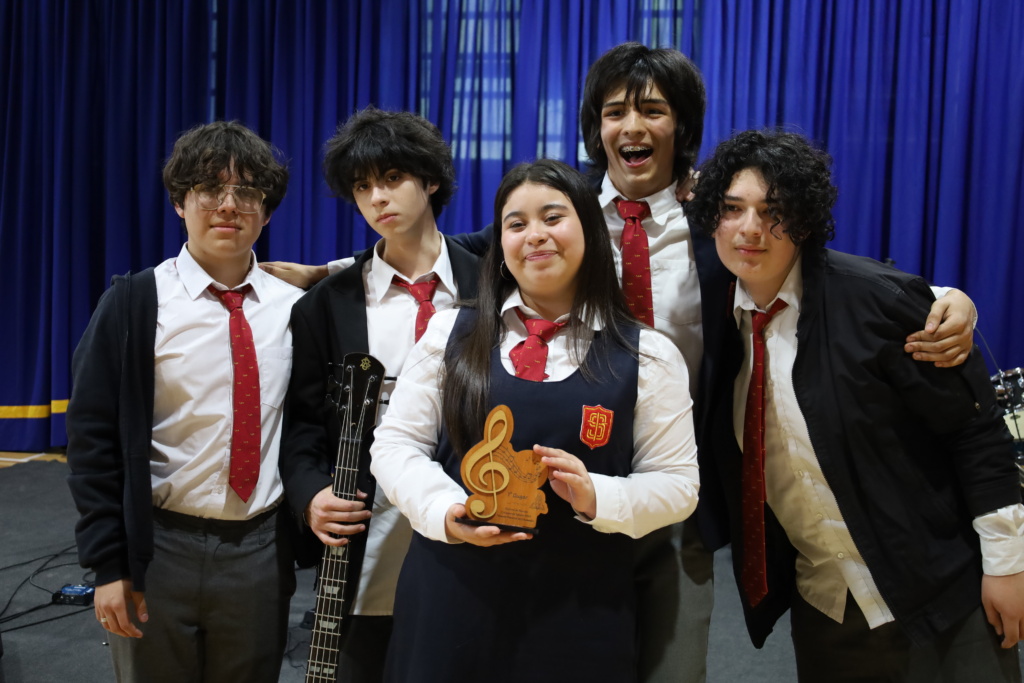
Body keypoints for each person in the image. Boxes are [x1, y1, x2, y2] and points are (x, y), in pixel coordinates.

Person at [261, 42, 979, 682]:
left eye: (653, 110)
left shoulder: (720, 228)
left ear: (681, 128)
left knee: (664, 665)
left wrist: (943, 297)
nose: (632, 126)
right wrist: (332, 272)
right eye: (614, 112)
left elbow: (807, 268)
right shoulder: (558, 211)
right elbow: (442, 253)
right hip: (545, 502)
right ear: (595, 128)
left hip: (677, 494)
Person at [687, 128, 1024, 682]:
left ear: (804, 220)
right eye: (732, 209)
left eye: (773, 211)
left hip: (940, 593)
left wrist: (1007, 567)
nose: (749, 228)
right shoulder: (719, 326)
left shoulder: (875, 301)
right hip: (828, 608)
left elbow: (974, 432)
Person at [367, 159, 699, 682]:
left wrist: (596, 495)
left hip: (580, 610)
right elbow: (394, 445)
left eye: (553, 217)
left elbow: (679, 485)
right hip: (450, 599)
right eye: (516, 224)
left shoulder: (648, 355)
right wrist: (447, 509)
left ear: (590, 229)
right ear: (500, 243)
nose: (535, 235)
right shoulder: (449, 333)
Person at [66, 121, 303, 682]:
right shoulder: (134, 302)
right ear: (179, 202)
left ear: (267, 212)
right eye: (209, 189)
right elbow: (91, 440)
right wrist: (108, 565)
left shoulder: (297, 309)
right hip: (159, 548)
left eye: (247, 192)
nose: (229, 205)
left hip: (259, 550)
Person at [279, 107, 480, 682]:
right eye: (362, 187)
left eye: (392, 178)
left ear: (431, 179)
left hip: (477, 518)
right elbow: (302, 425)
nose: (377, 198)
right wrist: (310, 494)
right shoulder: (326, 304)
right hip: (371, 530)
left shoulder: (493, 284)